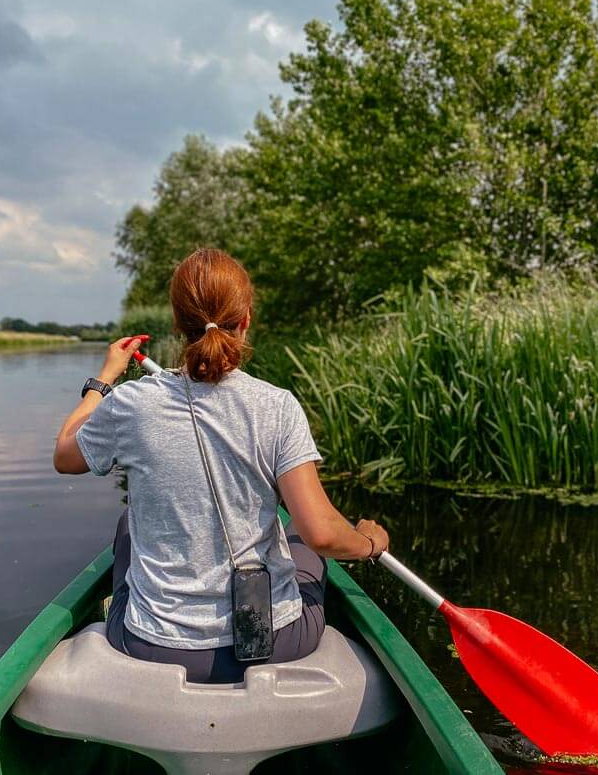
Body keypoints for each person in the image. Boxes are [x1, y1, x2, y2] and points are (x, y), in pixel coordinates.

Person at [52, 248, 389, 683]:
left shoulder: (132, 403)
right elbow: (322, 534)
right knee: (298, 537)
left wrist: (103, 380)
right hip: (275, 642)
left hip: (152, 646)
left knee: (127, 527)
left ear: (177, 324)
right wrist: (368, 543)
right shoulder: (277, 406)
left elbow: (65, 456)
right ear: (246, 319)